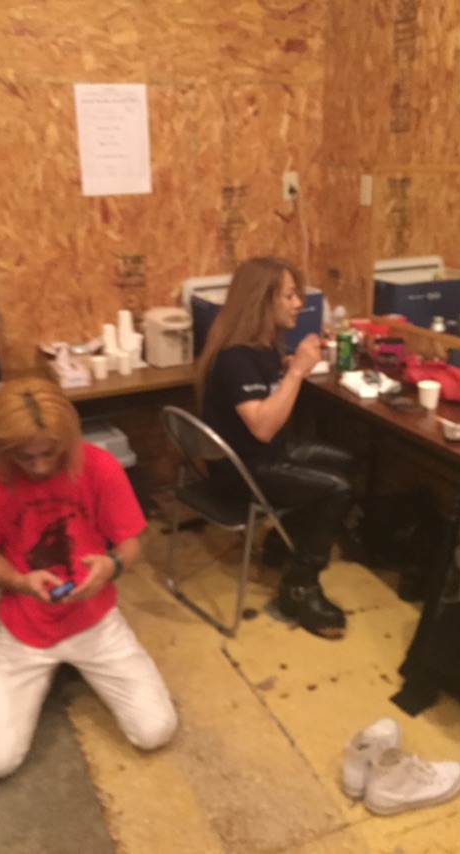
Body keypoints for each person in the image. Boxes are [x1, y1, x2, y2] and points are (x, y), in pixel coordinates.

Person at [0, 376, 177, 780]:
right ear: (1, 448)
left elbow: (130, 546)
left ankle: (72, 664)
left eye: (51, 453)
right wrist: (21, 582)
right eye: (25, 457)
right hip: (25, 626)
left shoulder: (98, 465)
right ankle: (54, 668)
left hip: (94, 618)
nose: (41, 466)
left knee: (156, 731)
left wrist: (111, 566)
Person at [196, 256, 355, 639]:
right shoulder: (235, 357)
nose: (299, 303)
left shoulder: (261, 347)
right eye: (289, 295)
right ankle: (298, 590)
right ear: (261, 301)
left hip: (258, 454)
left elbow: (262, 400)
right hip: (240, 471)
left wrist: (283, 370)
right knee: (337, 489)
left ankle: (281, 546)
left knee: (346, 462)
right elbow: (264, 428)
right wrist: (297, 372)